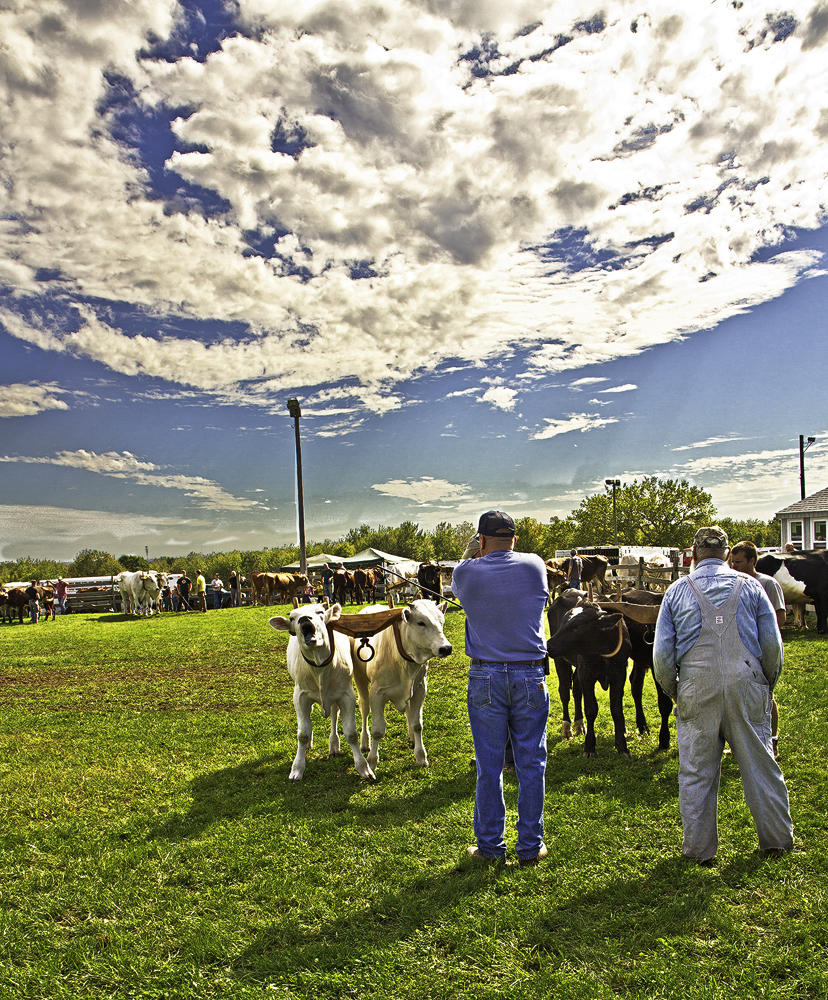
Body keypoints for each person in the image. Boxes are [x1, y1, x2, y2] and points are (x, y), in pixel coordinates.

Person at [653, 526, 793, 863]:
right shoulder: (751, 587)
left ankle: (700, 851)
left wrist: (676, 691)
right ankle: (775, 841)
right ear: (727, 552)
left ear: (695, 552)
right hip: (746, 678)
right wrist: (766, 683)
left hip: (694, 684)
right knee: (760, 762)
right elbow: (772, 645)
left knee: (697, 770)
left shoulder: (676, 591)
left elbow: (661, 655)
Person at [451, 510, 550, 866]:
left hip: (486, 676)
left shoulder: (466, 571)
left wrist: (472, 554)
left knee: (489, 765)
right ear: (515, 539)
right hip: (529, 675)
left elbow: (458, 585)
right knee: (532, 762)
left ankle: (491, 847)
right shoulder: (535, 565)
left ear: (480, 540)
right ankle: (530, 847)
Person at [731, 540, 786, 758]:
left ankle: (772, 743)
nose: (734, 566)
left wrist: (761, 639)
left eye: (739, 562)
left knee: (765, 694)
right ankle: (743, 745)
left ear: (752, 561)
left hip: (762, 649)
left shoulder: (768, 584)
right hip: (739, 649)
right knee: (740, 695)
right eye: (732, 562)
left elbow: (780, 617)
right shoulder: (734, 583)